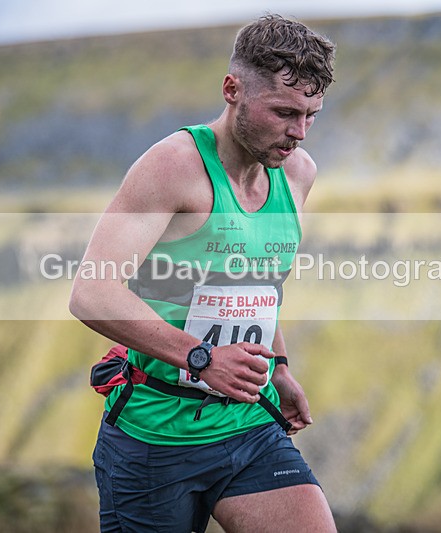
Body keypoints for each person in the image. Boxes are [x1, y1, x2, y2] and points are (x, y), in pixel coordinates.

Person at [69, 13, 336, 533]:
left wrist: (278, 367)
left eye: (311, 116)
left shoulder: (298, 174)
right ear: (232, 89)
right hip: (154, 433)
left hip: (247, 423)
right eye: (284, 112)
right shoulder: (173, 167)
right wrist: (203, 358)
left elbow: (259, 283)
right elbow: (91, 293)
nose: (298, 134)